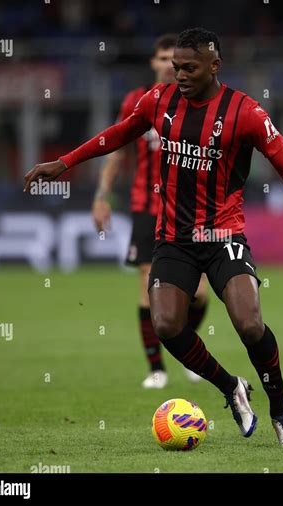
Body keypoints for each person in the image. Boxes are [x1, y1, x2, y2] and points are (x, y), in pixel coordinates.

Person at [24, 27, 283, 448]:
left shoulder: (245, 112)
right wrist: (64, 163)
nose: (180, 75)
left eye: (189, 68)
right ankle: (231, 387)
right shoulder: (157, 101)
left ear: (214, 65)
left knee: (249, 324)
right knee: (167, 324)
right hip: (173, 238)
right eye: (175, 68)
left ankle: (282, 414)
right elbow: (117, 135)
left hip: (224, 233)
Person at [92, 34, 208, 388]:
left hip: (190, 210)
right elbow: (116, 150)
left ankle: (186, 349)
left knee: (200, 292)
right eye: (161, 59)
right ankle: (156, 368)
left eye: (172, 60)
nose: (166, 65)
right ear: (154, 63)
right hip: (147, 205)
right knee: (148, 283)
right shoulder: (138, 101)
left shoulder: (197, 101)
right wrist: (102, 195)